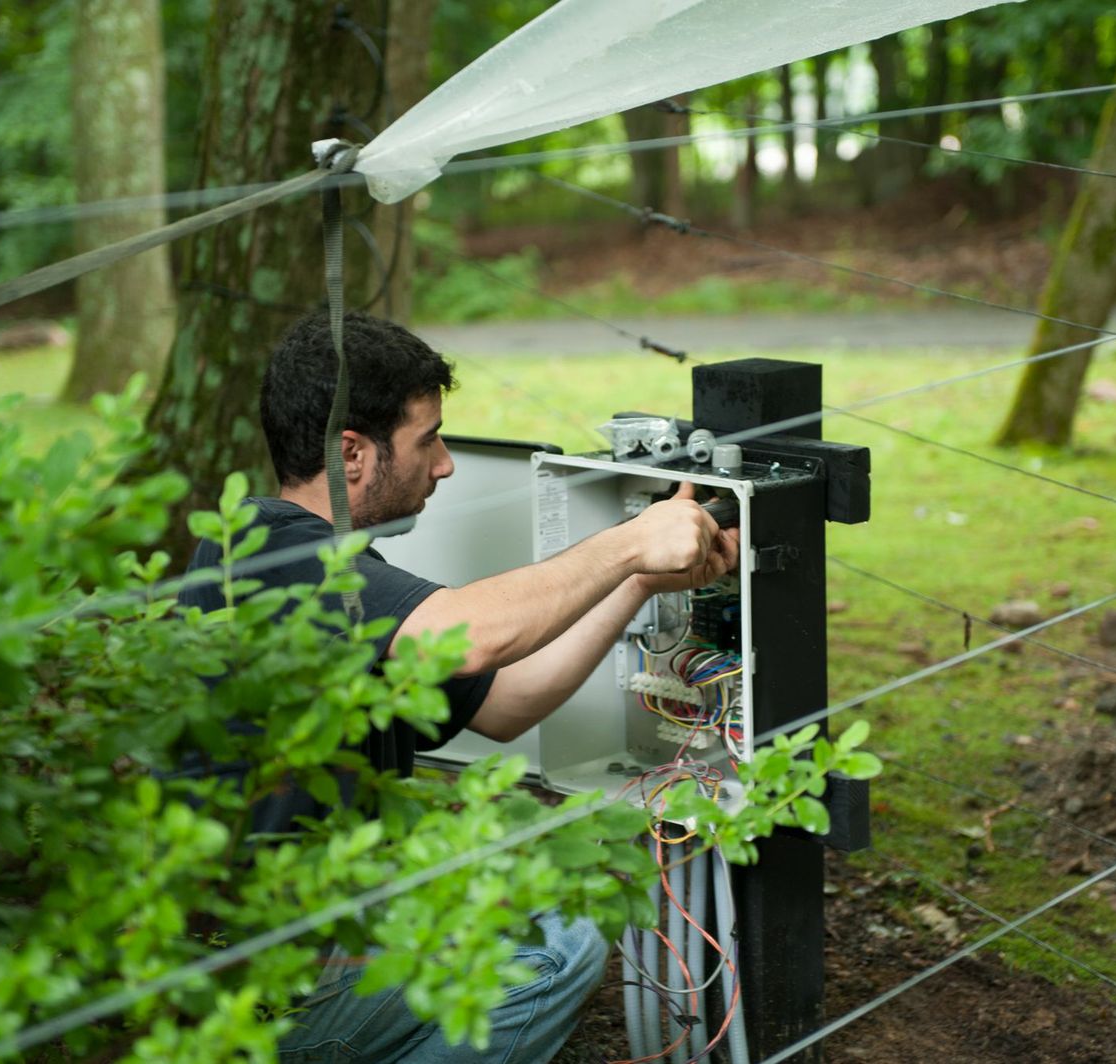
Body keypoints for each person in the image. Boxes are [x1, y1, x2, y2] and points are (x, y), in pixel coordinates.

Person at [177, 311, 740, 1063]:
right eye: (427, 439)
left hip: (307, 944)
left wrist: (639, 580)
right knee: (558, 945)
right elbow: (472, 635)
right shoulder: (275, 557)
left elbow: (507, 703)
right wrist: (628, 540)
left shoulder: (324, 578)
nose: (444, 464)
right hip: (271, 987)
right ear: (352, 453)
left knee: (525, 900)